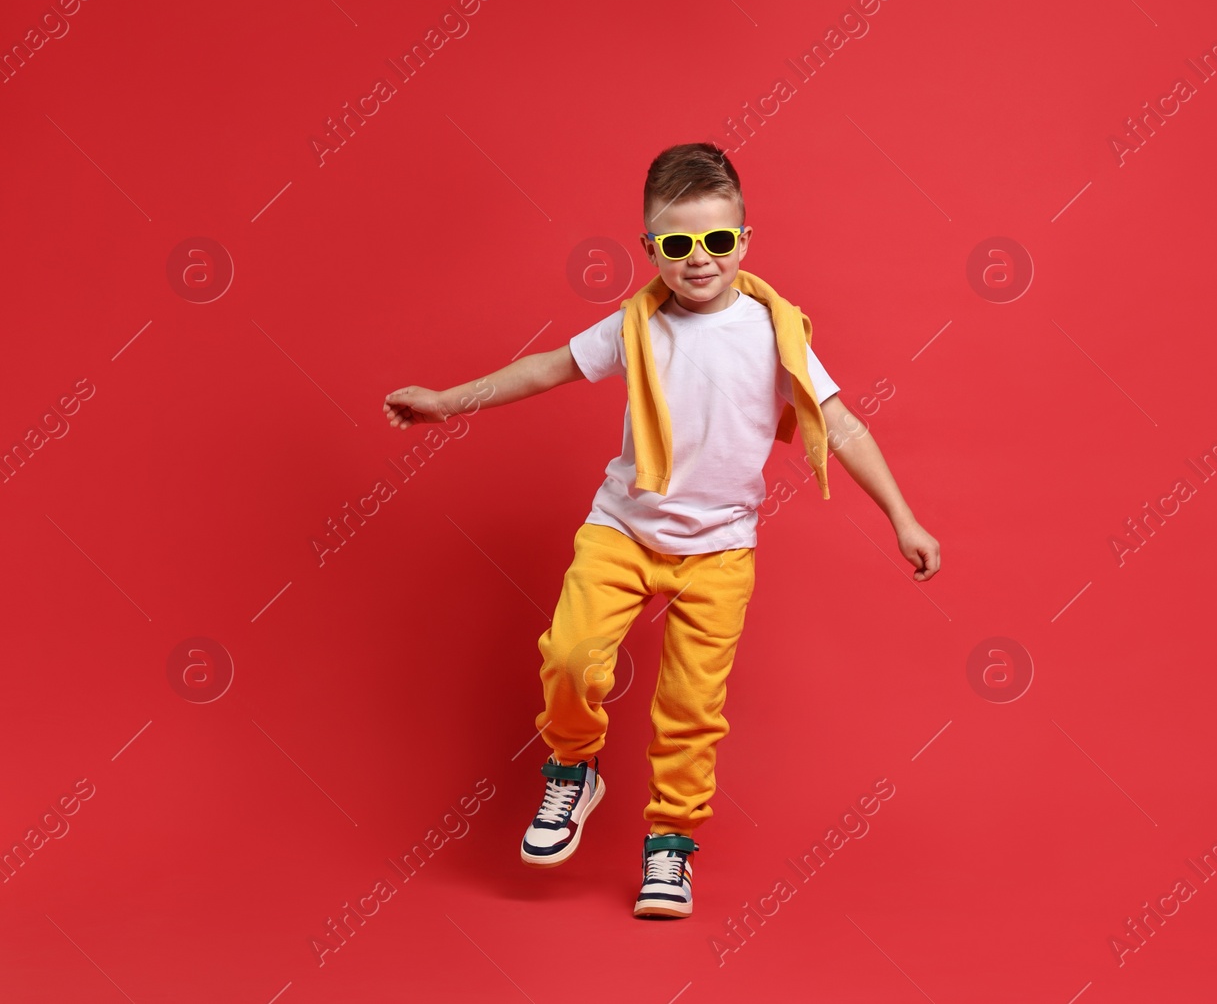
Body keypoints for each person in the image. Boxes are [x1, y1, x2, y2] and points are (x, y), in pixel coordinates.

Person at [381, 142, 940, 919]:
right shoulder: (636, 327)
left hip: (719, 552)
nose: (699, 259)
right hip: (624, 530)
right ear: (650, 250)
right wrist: (448, 400)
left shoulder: (775, 334)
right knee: (572, 655)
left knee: (690, 706)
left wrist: (902, 517)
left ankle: (670, 846)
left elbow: (838, 426)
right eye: (677, 244)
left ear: (745, 240)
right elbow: (548, 368)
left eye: (717, 240)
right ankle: (574, 766)